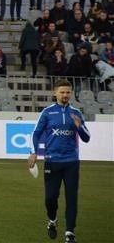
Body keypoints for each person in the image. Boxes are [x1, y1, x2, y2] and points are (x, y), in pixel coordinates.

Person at [28, 79, 91, 243]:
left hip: (71, 162)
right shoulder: (47, 112)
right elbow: (36, 133)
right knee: (50, 198)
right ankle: (52, 220)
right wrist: (33, 153)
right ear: (55, 93)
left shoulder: (76, 113)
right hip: (52, 161)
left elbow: (87, 138)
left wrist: (79, 126)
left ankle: (70, 233)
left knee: (72, 198)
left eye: (68, 92)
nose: (65, 95)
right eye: (62, 92)